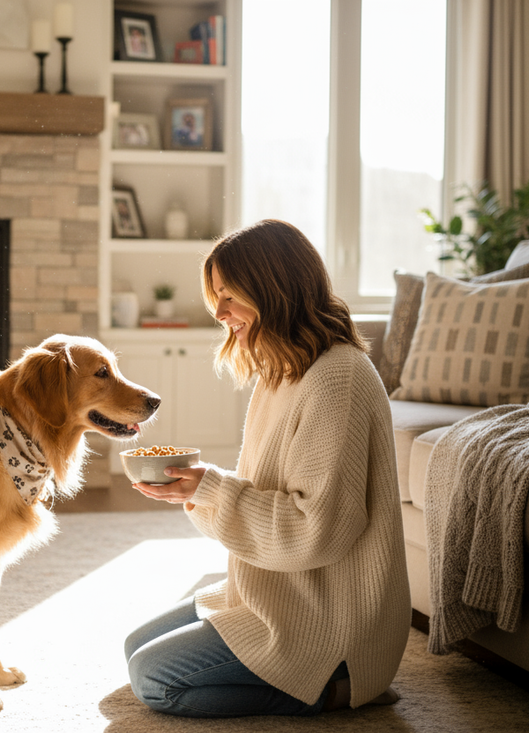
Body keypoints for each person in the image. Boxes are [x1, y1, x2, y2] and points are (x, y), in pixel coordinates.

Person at [124, 219, 410, 718]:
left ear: (273, 288)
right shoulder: (282, 370)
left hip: (327, 618)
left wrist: (213, 489)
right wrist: (199, 489)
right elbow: (267, 490)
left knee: (153, 678)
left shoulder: (336, 377)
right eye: (216, 297)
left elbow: (318, 530)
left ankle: (335, 688)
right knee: (135, 647)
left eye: (229, 296)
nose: (219, 313)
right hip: (274, 590)